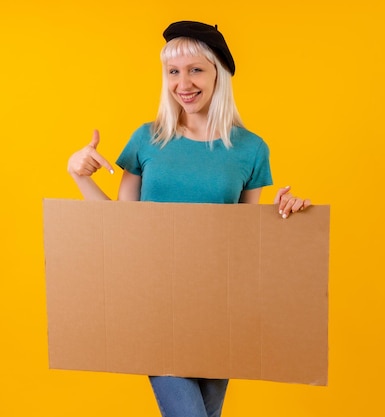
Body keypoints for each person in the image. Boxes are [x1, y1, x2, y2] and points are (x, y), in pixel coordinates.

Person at [67, 20, 311, 417]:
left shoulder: (250, 149)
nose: (184, 83)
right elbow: (120, 228)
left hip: (221, 308)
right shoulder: (147, 140)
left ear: (219, 72)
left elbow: (246, 239)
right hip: (156, 304)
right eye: (173, 72)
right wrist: (78, 175)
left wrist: (285, 216)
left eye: (195, 69)